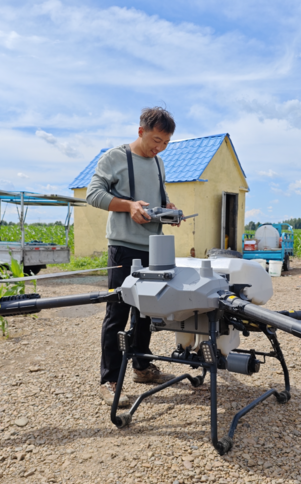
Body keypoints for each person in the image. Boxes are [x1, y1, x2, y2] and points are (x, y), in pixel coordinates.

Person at [86, 107, 179, 407]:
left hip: (153, 246)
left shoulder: (159, 164)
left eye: (165, 143)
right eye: (155, 140)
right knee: (118, 313)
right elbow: (93, 194)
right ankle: (109, 380)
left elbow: (159, 198)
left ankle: (140, 367)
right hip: (123, 247)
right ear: (140, 132)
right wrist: (128, 206)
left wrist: (170, 209)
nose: (159, 147)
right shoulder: (114, 158)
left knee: (147, 311)